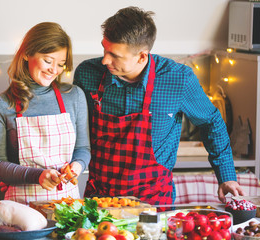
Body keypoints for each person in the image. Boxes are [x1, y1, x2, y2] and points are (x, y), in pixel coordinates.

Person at [73, 6, 244, 208]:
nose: (105, 59)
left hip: (154, 202)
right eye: (104, 48)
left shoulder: (178, 79)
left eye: (115, 55)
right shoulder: (87, 74)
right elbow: (75, 130)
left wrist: (226, 176)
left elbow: (211, 121)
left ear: (142, 56)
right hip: (99, 201)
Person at [0, 22, 91, 205]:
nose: (54, 70)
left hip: (68, 205)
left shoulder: (74, 96)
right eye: (48, 61)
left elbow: (83, 149)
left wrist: (77, 166)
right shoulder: (1, 104)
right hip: (22, 207)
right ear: (27, 53)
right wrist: (38, 176)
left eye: (61, 64)